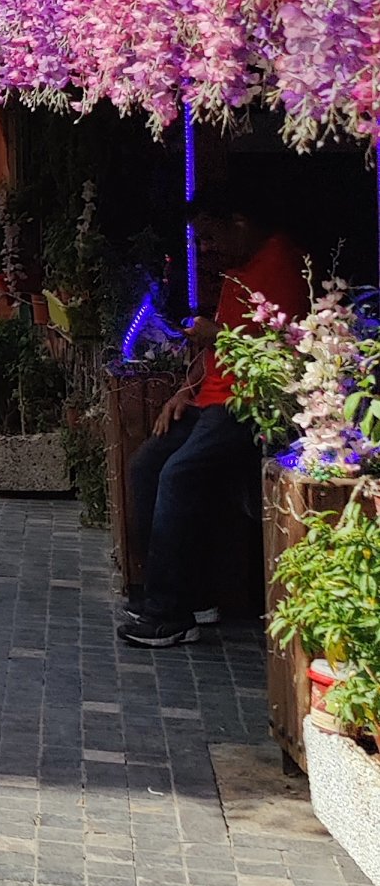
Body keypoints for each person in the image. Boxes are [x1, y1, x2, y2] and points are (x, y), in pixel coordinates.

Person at [119, 186, 308, 649]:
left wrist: (214, 333)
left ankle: (169, 616)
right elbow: (216, 359)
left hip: (249, 404)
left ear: (239, 222)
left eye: (208, 236)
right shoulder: (237, 271)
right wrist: (183, 391)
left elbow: (282, 349)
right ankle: (186, 595)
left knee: (179, 476)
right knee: (147, 466)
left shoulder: (281, 261)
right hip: (210, 399)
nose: (205, 248)